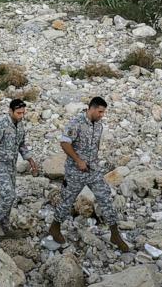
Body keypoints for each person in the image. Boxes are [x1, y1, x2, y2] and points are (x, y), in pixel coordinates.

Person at [48, 97, 130, 251]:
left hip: (93, 171)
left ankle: (115, 234)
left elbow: (96, 143)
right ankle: (54, 227)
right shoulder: (76, 123)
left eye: (103, 112)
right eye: (100, 111)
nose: (101, 115)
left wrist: (94, 160)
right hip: (75, 172)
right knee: (66, 202)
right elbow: (64, 143)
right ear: (91, 109)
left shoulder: (99, 125)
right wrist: (78, 160)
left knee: (105, 198)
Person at [0, 98, 39, 237]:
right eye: (18, 113)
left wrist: (30, 159)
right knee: (9, 195)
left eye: (23, 113)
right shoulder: (0, 124)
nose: (21, 116)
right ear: (10, 111)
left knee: (7, 197)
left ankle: (5, 224)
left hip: (11, 166)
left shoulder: (20, 125)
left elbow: (21, 144)